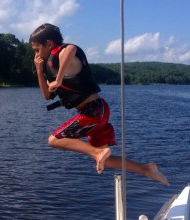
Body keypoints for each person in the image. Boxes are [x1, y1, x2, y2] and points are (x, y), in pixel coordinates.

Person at [29, 23, 169, 186]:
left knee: (54, 140)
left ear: (49, 44)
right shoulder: (50, 65)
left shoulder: (62, 54)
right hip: (98, 110)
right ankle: (146, 169)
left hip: (92, 112)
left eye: (37, 50)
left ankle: (97, 152)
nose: (36, 55)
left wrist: (59, 79)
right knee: (108, 161)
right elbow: (47, 95)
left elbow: (71, 49)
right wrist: (39, 71)